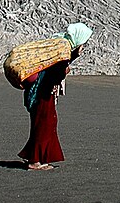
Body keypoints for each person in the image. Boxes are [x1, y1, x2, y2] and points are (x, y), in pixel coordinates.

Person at [19, 22, 92, 171]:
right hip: (43, 95)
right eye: (83, 44)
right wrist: (66, 68)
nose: (83, 48)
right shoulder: (62, 52)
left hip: (39, 93)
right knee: (45, 124)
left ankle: (35, 157)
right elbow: (56, 74)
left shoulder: (59, 47)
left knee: (43, 123)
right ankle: (35, 162)